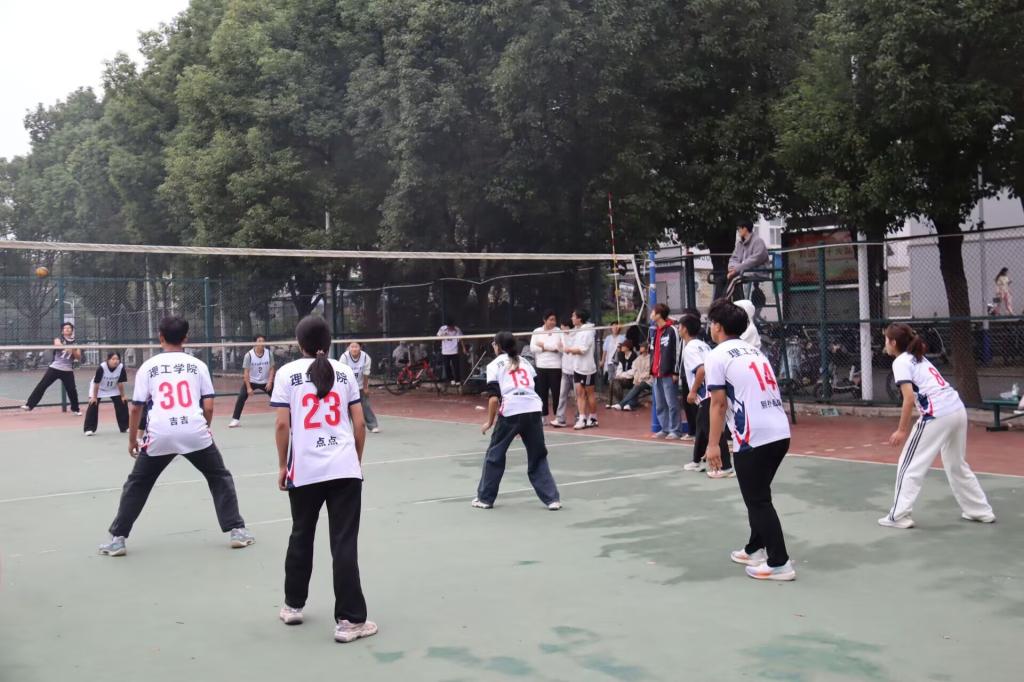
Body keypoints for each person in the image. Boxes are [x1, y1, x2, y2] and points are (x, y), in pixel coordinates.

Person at [98, 316, 255, 557]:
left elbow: (136, 407)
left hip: (160, 433)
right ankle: (237, 531)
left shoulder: (148, 367)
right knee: (219, 476)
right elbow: (209, 406)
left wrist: (132, 440)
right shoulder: (198, 365)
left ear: (160, 337)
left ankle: (118, 539)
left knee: (138, 483)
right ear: (186, 338)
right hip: (194, 431)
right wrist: (203, 429)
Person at [271, 316, 376, 642]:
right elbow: (359, 424)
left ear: (299, 342)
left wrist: (282, 465)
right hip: (344, 468)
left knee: (301, 534)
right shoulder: (344, 372)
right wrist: (354, 461)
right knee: (343, 542)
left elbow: (282, 425)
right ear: (329, 342)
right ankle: (350, 621)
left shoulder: (287, 374)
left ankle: (292, 606)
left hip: (304, 469)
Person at [705, 299, 794, 581]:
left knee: (758, 500)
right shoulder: (755, 351)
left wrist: (713, 444)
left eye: (711, 323)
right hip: (779, 432)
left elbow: (718, 403)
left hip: (754, 436)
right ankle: (755, 548)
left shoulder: (717, 355)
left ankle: (779, 563)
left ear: (718, 326)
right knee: (758, 494)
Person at [878, 323, 995, 529]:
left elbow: (908, 399)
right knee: (956, 464)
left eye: (886, 340)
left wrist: (902, 430)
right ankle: (980, 511)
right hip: (957, 409)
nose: (885, 344)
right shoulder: (918, 357)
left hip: (937, 414)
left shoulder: (901, 362)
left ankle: (898, 516)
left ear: (893, 342)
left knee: (909, 464)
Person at [473, 331, 561, 510]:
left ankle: (485, 499)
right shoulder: (526, 362)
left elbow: (493, 399)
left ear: (498, 346)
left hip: (511, 411)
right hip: (533, 409)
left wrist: (489, 422)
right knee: (538, 455)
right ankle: (552, 499)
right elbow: (535, 388)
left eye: (494, 344)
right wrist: (524, 425)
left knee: (495, 454)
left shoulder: (494, 365)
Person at [680, 314, 733, 478]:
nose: (678, 329)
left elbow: (701, 370)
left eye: (680, 326)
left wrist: (693, 390)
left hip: (707, 393)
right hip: (713, 390)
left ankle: (725, 466)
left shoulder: (690, 348)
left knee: (712, 429)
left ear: (684, 329)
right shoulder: (704, 345)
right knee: (701, 426)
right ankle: (697, 461)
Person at [22, 321, 82, 414]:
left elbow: (78, 357)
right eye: (65, 328)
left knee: (72, 390)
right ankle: (29, 405)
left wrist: (73, 350)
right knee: (42, 385)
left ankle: (76, 409)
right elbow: (58, 345)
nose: (67, 329)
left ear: (72, 331)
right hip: (55, 368)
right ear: (62, 331)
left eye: (69, 328)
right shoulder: (58, 339)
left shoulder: (76, 343)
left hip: (68, 370)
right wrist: (68, 348)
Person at [229, 335, 276, 428]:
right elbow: (246, 373)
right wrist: (248, 388)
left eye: (263, 341)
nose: (262, 343)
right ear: (255, 343)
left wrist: (270, 382)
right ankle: (235, 420)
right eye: (259, 341)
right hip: (252, 381)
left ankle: (288, 418)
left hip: (266, 381)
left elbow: (271, 369)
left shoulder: (269, 353)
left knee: (279, 397)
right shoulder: (249, 355)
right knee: (241, 397)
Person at [650, 303, 682, 439]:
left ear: (659, 315)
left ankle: (675, 430)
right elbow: (653, 352)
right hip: (656, 373)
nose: (651, 314)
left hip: (668, 373)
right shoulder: (653, 331)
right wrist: (651, 370)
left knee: (672, 403)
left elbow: (677, 351)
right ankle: (665, 428)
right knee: (659, 403)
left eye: (653, 312)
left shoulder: (672, 330)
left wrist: (675, 372)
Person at [565, 309, 598, 429]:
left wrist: (569, 350)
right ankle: (582, 418)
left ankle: (593, 418)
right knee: (579, 393)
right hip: (577, 367)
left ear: (580, 318)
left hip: (587, 368)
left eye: (574, 316)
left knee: (589, 394)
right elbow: (574, 344)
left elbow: (582, 349)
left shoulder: (588, 331)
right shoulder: (577, 330)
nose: (572, 318)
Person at [83, 351, 129, 435]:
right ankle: (89, 429)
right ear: (108, 360)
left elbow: (120, 383)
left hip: (113, 387)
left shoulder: (121, 367)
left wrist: (123, 396)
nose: (115, 361)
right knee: (93, 404)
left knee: (122, 402)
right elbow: (96, 383)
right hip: (99, 388)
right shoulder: (102, 368)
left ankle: (125, 427)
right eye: (113, 359)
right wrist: (94, 397)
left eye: (117, 359)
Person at [725, 219, 770, 302]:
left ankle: (725, 301)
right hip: (744, 271)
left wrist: (736, 269)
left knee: (735, 279)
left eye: (739, 228)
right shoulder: (739, 243)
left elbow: (755, 260)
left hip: (758, 272)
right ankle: (732, 303)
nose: (738, 231)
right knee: (722, 279)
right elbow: (733, 258)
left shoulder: (758, 241)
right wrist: (732, 268)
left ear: (745, 229)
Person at [340, 341, 380, 434]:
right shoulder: (344, 357)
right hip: (347, 387)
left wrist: (365, 388)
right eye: (352, 347)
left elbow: (366, 374)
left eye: (356, 346)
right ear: (348, 348)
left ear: (360, 347)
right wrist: (343, 388)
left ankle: (373, 425)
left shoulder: (365, 357)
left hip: (360, 386)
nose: (354, 349)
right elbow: (341, 373)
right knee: (345, 408)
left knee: (365, 406)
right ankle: (346, 428)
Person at [530, 310, 563, 420]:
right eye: (551, 320)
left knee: (556, 392)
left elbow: (558, 348)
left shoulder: (558, 331)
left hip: (555, 366)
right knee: (542, 392)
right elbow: (533, 348)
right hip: (541, 366)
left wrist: (543, 345)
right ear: (544, 320)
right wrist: (549, 348)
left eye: (554, 320)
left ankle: (558, 416)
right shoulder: (537, 331)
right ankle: (543, 415)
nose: (553, 322)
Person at [550, 322, 577, 427]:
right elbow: (560, 349)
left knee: (578, 397)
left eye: (564, 328)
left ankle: (579, 418)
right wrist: (560, 348)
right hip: (565, 371)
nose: (562, 330)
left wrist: (565, 349)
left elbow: (572, 350)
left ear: (568, 327)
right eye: (561, 328)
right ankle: (560, 419)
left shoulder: (576, 335)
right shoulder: (561, 335)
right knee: (562, 396)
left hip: (576, 371)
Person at [611, 342, 652, 411]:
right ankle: (629, 405)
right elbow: (635, 370)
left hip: (648, 381)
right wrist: (636, 379)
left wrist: (639, 379)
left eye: (642, 347)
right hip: (638, 380)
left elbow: (648, 372)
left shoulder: (650, 358)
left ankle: (621, 404)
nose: (640, 348)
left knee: (638, 386)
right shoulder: (638, 358)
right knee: (636, 386)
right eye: (640, 346)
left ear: (646, 349)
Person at [437, 319, 467, 386]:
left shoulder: (457, 329)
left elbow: (461, 339)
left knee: (456, 366)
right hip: (445, 351)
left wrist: (464, 348)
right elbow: (438, 337)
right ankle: (451, 379)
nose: (450, 328)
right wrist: (443, 335)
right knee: (447, 366)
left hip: (454, 351)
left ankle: (458, 380)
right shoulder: (442, 329)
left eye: (452, 326)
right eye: (449, 327)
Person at [606, 339, 636, 407]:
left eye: (623, 346)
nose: (621, 347)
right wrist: (619, 375)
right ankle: (614, 403)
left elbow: (633, 371)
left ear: (628, 347)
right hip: (623, 377)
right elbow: (619, 368)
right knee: (612, 381)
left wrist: (622, 375)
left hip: (631, 379)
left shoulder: (634, 356)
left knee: (615, 381)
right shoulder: (621, 355)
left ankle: (618, 402)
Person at [601, 322, 626, 386]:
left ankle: (618, 391)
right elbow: (605, 350)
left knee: (618, 378)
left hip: (619, 362)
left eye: (616, 327)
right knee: (610, 379)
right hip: (610, 361)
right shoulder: (608, 338)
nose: (615, 328)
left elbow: (625, 349)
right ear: (611, 328)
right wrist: (602, 361)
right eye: (613, 326)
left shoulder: (622, 337)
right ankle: (611, 391)